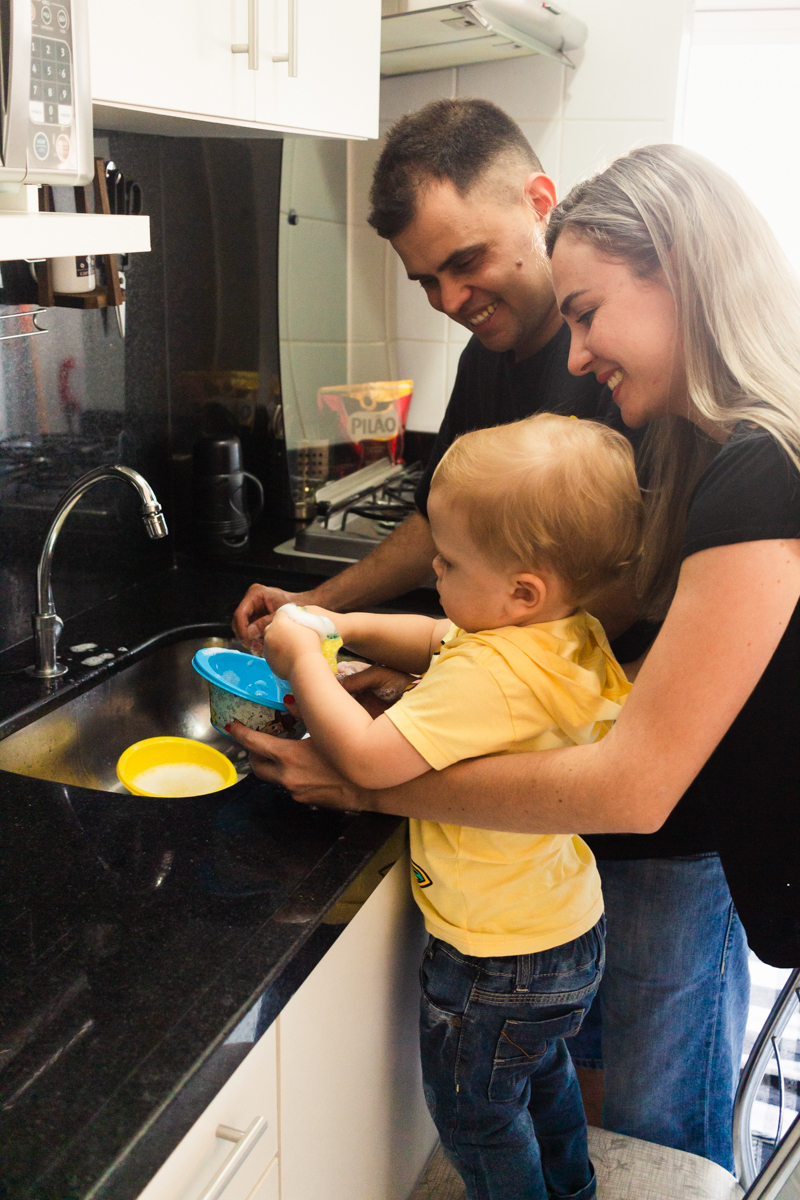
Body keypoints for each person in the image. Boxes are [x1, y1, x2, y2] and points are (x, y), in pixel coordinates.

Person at [233, 104, 749, 1169]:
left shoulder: (702, 425)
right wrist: (330, 609)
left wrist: (382, 754)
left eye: (463, 262)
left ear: (537, 203)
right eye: (426, 282)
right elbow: (446, 526)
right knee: (573, 1077)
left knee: (660, 1101)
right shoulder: (505, 354)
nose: (450, 298)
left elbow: (607, 595)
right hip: (567, 806)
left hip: (667, 785)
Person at [243, 413, 642, 1200]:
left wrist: (299, 657)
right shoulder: (559, 634)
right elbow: (439, 635)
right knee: (540, 1076)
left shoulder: (489, 679)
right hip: (562, 932)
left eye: (449, 561)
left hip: (495, 958)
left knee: (475, 1113)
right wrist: (344, 623)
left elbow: (366, 760)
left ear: (521, 591)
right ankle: (572, 1188)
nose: (433, 567)